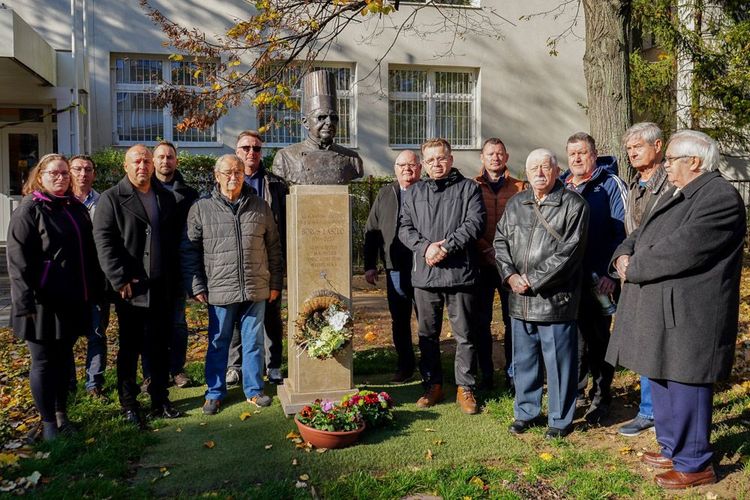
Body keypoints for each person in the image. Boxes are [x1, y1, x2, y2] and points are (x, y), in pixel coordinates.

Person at [607, 130, 745, 489]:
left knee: (686, 384)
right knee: (662, 375)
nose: (664, 165)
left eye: (670, 160)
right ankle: (672, 447)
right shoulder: (677, 191)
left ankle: (695, 462)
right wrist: (622, 254)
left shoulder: (719, 197)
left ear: (694, 162)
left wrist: (633, 267)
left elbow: (683, 249)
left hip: (692, 312)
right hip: (664, 306)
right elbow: (641, 232)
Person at [494, 149, 589, 439]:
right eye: (533, 167)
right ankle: (526, 412)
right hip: (519, 298)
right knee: (524, 361)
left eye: (545, 167)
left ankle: (560, 420)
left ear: (556, 170)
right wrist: (510, 275)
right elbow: (500, 241)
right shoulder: (516, 203)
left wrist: (532, 280)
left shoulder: (573, 205)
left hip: (554, 299)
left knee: (559, 364)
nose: (539, 172)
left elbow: (569, 253)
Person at [7, 154, 102, 441]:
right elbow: (18, 261)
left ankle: (62, 415)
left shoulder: (74, 207)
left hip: (71, 302)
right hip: (39, 304)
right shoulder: (30, 209)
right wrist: (24, 304)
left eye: (64, 173)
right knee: (44, 363)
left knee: (63, 361)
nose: (61, 178)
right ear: (40, 176)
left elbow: (89, 255)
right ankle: (48, 423)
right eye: (54, 173)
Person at [181, 155, 283, 415]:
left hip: (255, 286)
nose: (233, 177)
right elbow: (189, 250)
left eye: (238, 172)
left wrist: (274, 283)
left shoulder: (260, 206)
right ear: (217, 176)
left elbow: (273, 247)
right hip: (219, 288)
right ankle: (214, 392)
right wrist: (196, 284)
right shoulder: (201, 208)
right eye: (227, 172)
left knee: (253, 342)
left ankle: (254, 390)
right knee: (218, 341)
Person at [94, 144, 182, 428]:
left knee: (159, 347)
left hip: (161, 286)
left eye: (146, 161)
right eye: (137, 161)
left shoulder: (165, 198)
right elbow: (104, 242)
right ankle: (129, 404)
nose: (142, 166)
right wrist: (119, 279)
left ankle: (159, 398)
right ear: (126, 166)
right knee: (130, 348)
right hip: (130, 289)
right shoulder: (111, 199)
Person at [399, 138, 485, 415]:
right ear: (423, 164)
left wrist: (445, 247)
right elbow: (404, 227)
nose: (437, 164)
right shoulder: (413, 193)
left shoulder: (469, 188)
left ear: (451, 159)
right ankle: (432, 385)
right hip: (425, 276)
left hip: (460, 274)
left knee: (465, 335)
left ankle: (465, 387)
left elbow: (475, 224)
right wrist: (425, 248)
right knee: (427, 335)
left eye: (441, 158)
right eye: (431, 160)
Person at [560, 132, 627, 424]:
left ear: (594, 154)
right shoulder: (560, 185)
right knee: (573, 341)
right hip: (566, 282)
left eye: (582, 152)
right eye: (572, 153)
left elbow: (624, 232)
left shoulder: (611, 185)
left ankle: (601, 398)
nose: (576, 158)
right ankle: (575, 393)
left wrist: (612, 273)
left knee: (599, 340)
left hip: (601, 280)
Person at [617, 123, 671, 437]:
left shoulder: (670, 184)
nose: (633, 152)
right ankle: (650, 410)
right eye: (629, 148)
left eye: (638, 146)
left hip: (658, 276)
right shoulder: (635, 184)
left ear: (658, 146)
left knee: (657, 345)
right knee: (642, 344)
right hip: (634, 275)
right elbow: (631, 230)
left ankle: (654, 412)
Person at [227, 130, 288, 386]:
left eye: (256, 148)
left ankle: (273, 365)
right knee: (236, 317)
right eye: (245, 148)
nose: (251, 153)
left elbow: (285, 224)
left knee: (272, 316)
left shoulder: (275, 184)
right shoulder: (226, 181)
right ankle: (235, 366)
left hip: (268, 263)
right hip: (235, 262)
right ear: (236, 150)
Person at [140, 141, 199, 390]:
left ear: (177, 161)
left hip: (176, 271)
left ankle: (177, 370)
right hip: (148, 271)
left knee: (177, 324)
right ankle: (151, 373)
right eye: (161, 157)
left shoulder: (189, 194)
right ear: (154, 161)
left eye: (170, 157)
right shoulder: (142, 190)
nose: (166, 161)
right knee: (149, 326)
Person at [363, 150, 422, 383]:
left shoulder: (428, 191)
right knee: (400, 319)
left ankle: (430, 367)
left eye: (411, 164)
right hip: (395, 268)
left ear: (419, 168)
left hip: (423, 267)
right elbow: (371, 230)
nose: (407, 169)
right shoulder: (386, 193)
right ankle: (405, 365)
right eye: (402, 165)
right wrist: (369, 265)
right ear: (395, 168)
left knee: (426, 320)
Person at [473, 138, 524, 390]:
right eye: (490, 153)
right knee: (480, 322)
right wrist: (486, 248)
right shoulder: (471, 186)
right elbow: (467, 222)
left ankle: (513, 373)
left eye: (499, 153)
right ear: (482, 158)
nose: (495, 157)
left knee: (512, 320)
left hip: (510, 265)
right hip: (480, 264)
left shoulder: (519, 187)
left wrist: (503, 253)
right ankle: (485, 373)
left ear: (506, 157)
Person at [67, 155, 110, 399]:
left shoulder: (103, 202)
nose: (83, 174)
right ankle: (68, 384)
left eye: (88, 169)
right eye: (78, 169)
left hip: (97, 281)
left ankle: (94, 384)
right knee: (67, 337)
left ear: (94, 174)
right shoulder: (60, 203)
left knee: (97, 333)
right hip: (69, 283)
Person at [272, 70, 363, 185]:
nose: (329, 122)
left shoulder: (352, 159)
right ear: (305, 123)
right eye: (321, 117)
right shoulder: (286, 157)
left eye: (333, 118)